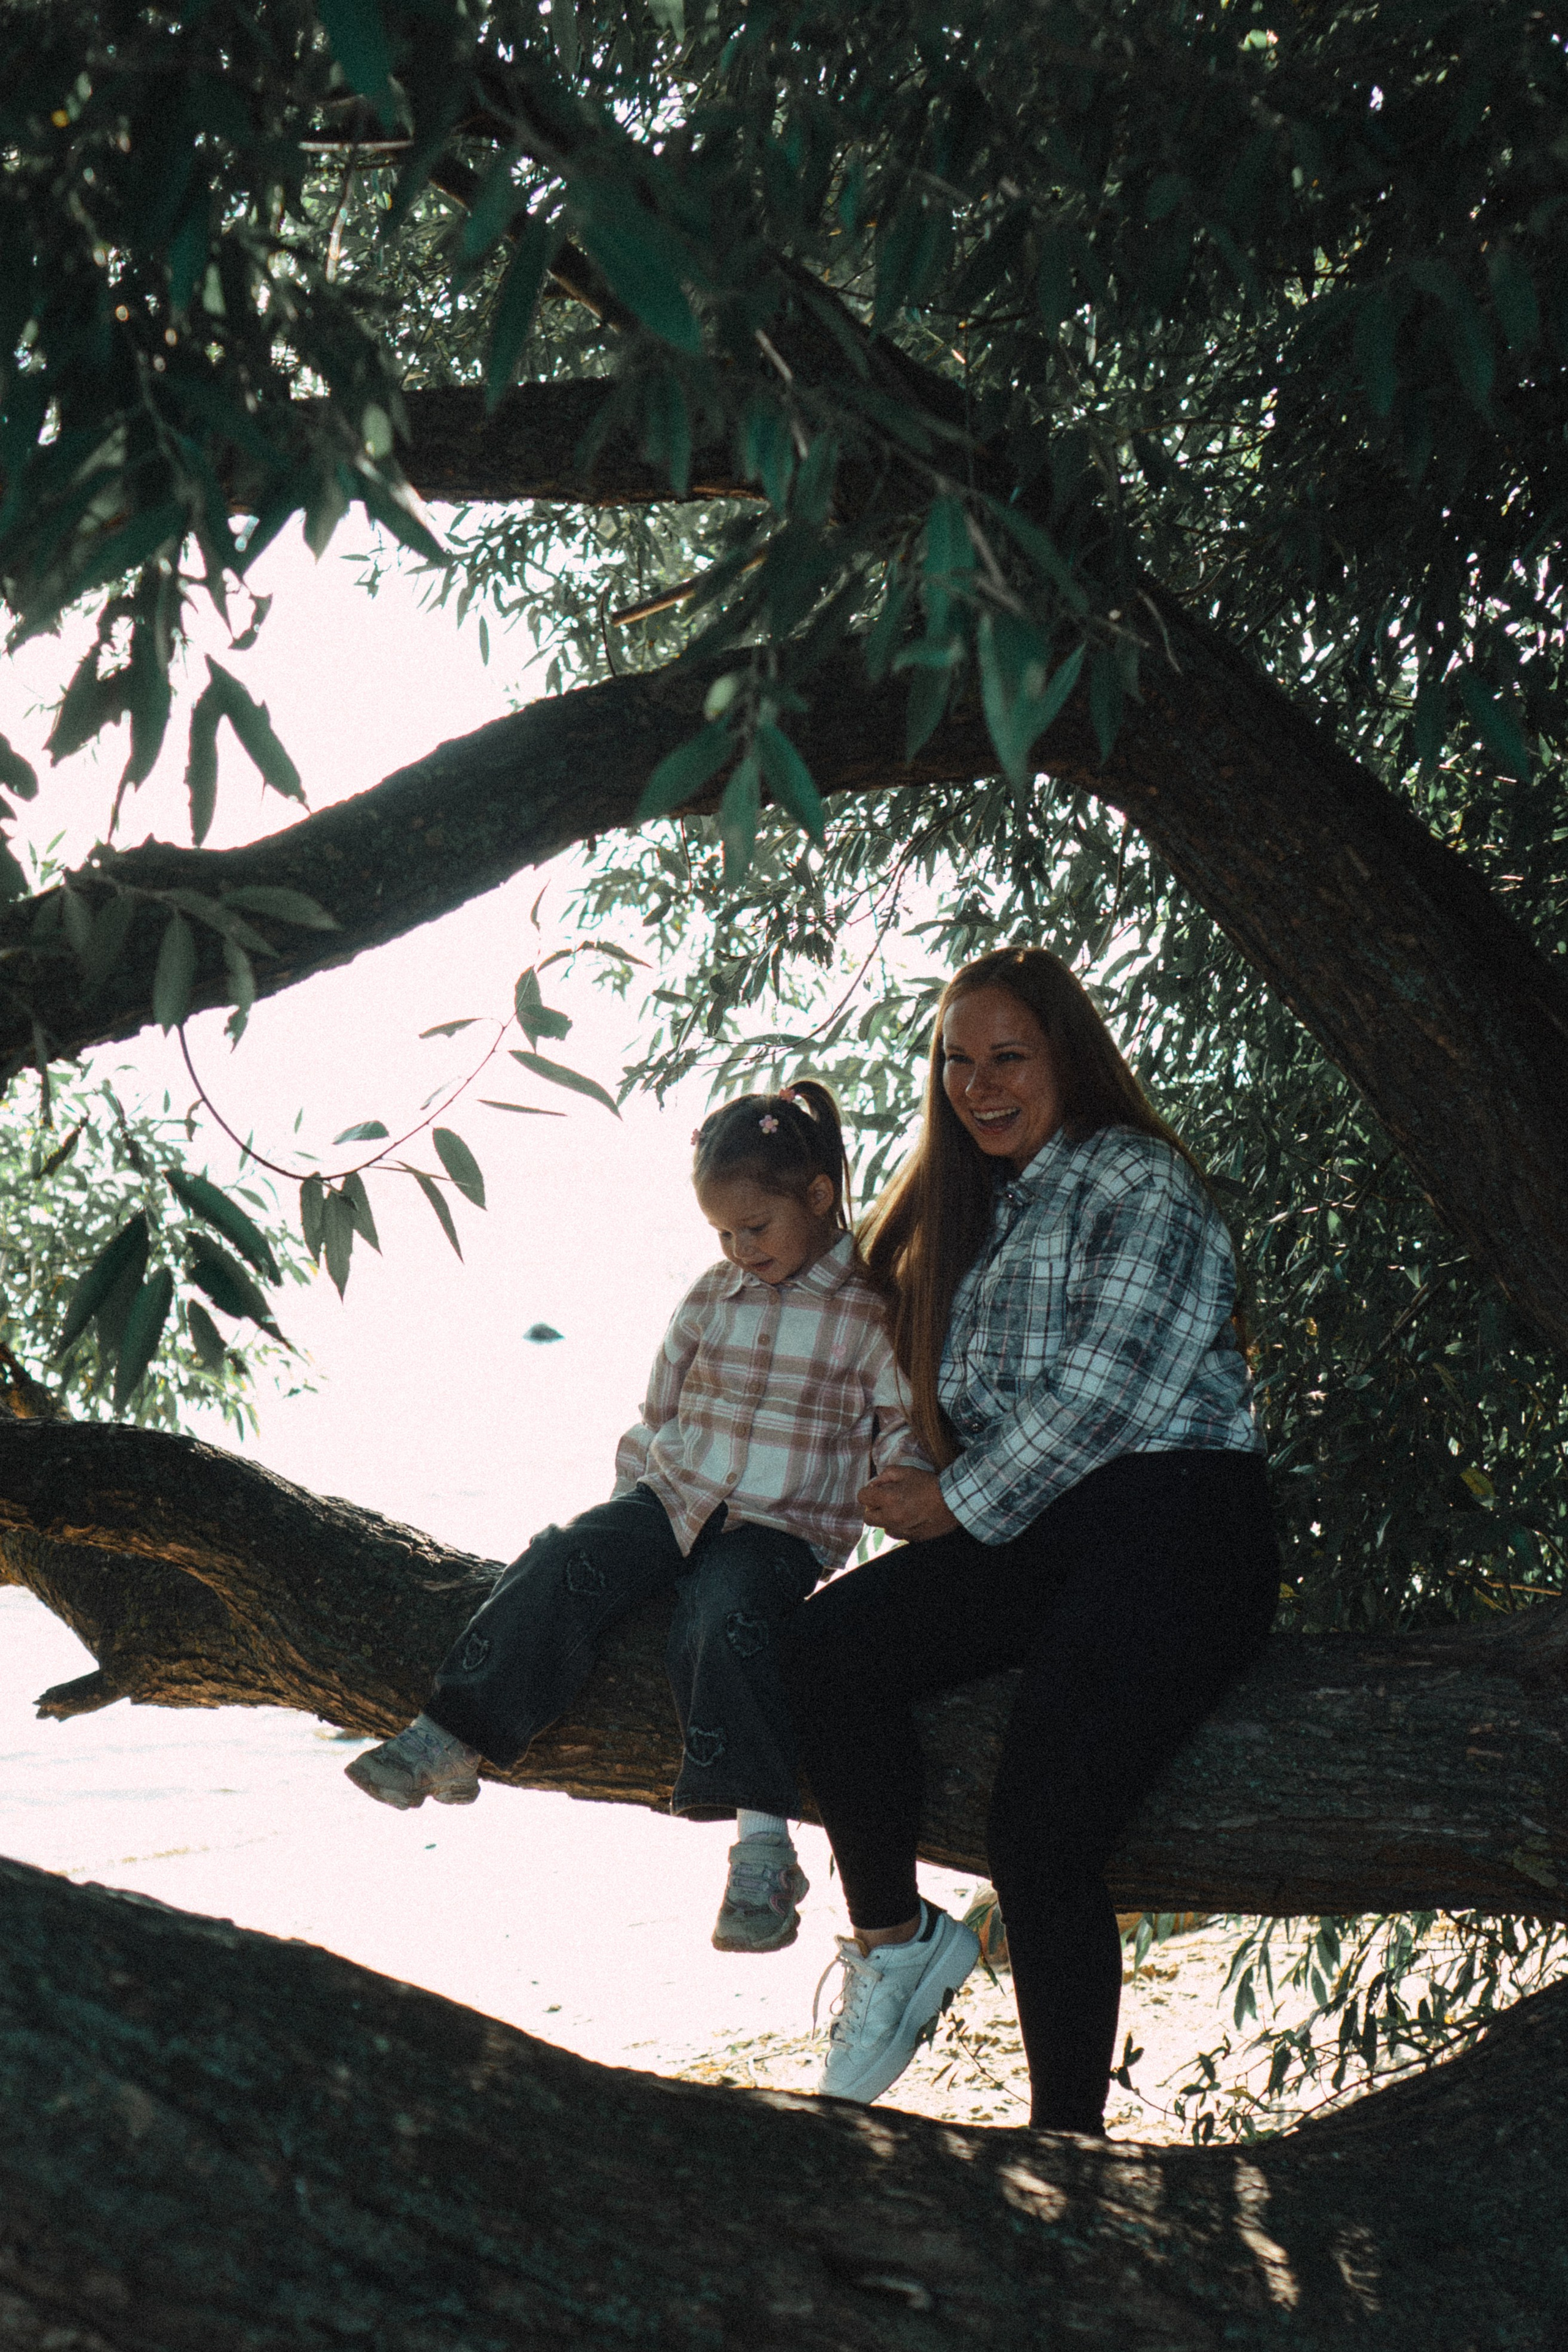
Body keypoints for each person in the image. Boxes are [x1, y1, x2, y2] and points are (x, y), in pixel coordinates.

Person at [782, 948, 1279, 2128]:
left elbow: (1106, 1394)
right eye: (956, 1061)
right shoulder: (980, 1208)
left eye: (1008, 1057)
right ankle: (896, 1944)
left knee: (1041, 1831)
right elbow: (867, 1347)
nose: (977, 1084)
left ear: (1067, 1055)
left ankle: (1068, 2148)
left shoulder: (1136, 1179)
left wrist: (953, 1507)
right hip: (1043, 1527)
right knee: (826, 1647)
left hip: (1177, 1524)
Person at [346, 1080, 927, 1956]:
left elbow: (903, 1425)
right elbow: (661, 1410)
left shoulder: (869, 1311)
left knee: (725, 1620)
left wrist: (901, 1484)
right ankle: (455, 1733)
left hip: (779, 1528)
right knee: (565, 1557)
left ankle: (764, 1851)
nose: (739, 1249)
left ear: (816, 1197)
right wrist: (630, 1506)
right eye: (723, 1234)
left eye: (755, 1229)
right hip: (672, 1498)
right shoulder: (711, 1294)